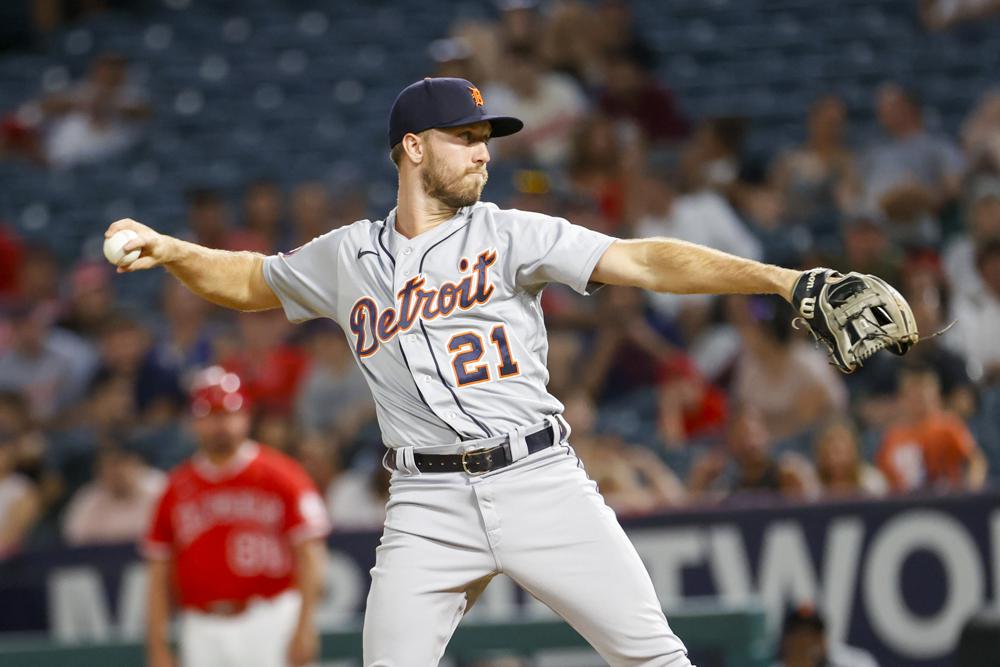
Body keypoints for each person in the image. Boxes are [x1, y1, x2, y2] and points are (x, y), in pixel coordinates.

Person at [108, 76, 846, 666]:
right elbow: (247, 279)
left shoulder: (510, 232)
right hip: (425, 500)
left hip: (538, 478)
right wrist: (172, 250)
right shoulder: (347, 256)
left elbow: (644, 258)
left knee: (653, 656)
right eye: (464, 139)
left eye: (485, 139)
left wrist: (780, 279)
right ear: (413, 149)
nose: (483, 153)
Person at [143, 366, 330, 667]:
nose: (221, 425)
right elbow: (157, 573)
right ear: (193, 422)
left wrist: (306, 625)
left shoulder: (282, 475)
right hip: (202, 625)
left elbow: (312, 555)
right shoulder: (175, 489)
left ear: (246, 416)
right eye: (210, 415)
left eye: (228, 413)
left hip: (271, 617)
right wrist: (157, 644)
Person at [877, 366, 987, 492]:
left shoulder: (948, 426)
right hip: (904, 504)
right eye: (913, 393)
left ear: (935, 394)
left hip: (944, 500)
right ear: (902, 397)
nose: (918, 399)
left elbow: (975, 461)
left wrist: (971, 489)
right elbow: (885, 476)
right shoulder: (893, 436)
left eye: (923, 392)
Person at [62, 443, 165, 546]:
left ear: (136, 463)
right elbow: (74, 539)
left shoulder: (159, 489)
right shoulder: (89, 498)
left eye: (118, 464)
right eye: (105, 466)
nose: (113, 472)